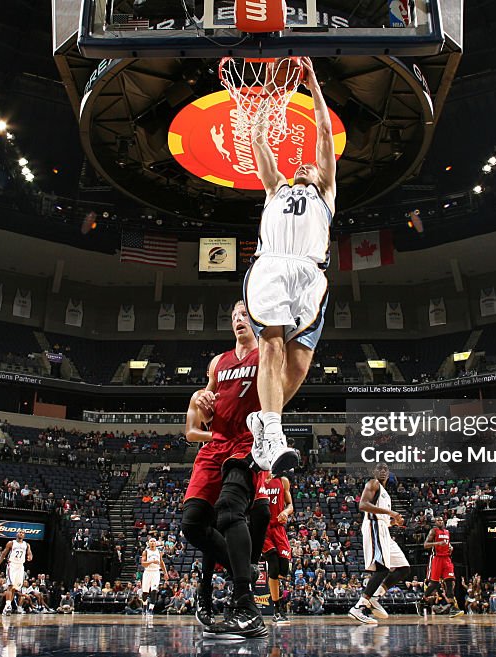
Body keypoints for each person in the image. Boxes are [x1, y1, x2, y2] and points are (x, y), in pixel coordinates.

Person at [246, 56, 336, 476]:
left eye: (312, 165)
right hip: (273, 266)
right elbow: (259, 140)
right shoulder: (275, 187)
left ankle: (263, 421)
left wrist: (313, 81)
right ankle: (274, 433)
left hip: (310, 273)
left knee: (299, 363)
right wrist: (271, 92)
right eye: (300, 164)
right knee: (272, 344)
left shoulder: (327, 193)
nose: (305, 163)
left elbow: (322, 130)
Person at [180, 300, 270, 639]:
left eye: (244, 314)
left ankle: (245, 602)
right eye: (233, 316)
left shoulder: (267, 354)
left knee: (231, 510)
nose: (238, 320)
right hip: (215, 444)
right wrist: (203, 402)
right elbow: (205, 414)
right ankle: (241, 571)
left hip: (247, 441)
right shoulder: (219, 362)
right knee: (191, 524)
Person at [349, 463, 411, 625]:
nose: (383, 471)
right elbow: (362, 505)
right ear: (373, 472)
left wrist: (392, 523)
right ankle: (359, 607)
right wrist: (391, 513)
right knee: (382, 568)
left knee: (404, 568)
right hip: (373, 527)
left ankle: (375, 597)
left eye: (385, 469)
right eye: (379, 469)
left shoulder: (385, 494)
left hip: (383, 528)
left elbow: (382, 519)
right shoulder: (373, 483)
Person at [260, 472, 294, 624]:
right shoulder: (257, 479)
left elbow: (290, 504)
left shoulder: (283, 480)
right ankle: (277, 609)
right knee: (272, 566)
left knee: (283, 569)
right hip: (263, 528)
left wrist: (286, 512)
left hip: (278, 528)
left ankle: (279, 600)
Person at [423, 516, 464, 617]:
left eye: (441, 520)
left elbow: (447, 543)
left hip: (446, 559)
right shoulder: (433, 531)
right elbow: (425, 545)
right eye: (438, 520)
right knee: (434, 584)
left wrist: (450, 547)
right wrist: (438, 543)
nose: (440, 521)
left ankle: (452, 607)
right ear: (435, 522)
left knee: (450, 582)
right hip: (436, 558)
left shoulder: (447, 532)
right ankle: (422, 600)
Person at [0, 531, 33, 615]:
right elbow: (3, 554)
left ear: (24, 535)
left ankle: (6, 607)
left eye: (23, 533)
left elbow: (30, 553)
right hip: (12, 565)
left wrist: (30, 556)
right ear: (16, 534)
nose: (21, 534)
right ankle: (8, 606)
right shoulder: (11, 543)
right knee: (10, 585)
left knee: (14, 588)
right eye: (19, 532)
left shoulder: (26, 545)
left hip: (20, 566)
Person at [140, 537, 169, 614]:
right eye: (151, 541)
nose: (152, 542)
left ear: (156, 543)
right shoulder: (145, 552)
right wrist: (152, 561)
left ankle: (150, 609)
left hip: (156, 572)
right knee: (145, 593)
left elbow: (162, 563)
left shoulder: (158, 552)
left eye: (154, 541)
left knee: (154, 591)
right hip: (147, 572)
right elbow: (143, 564)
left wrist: (165, 572)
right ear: (148, 543)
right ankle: (145, 605)